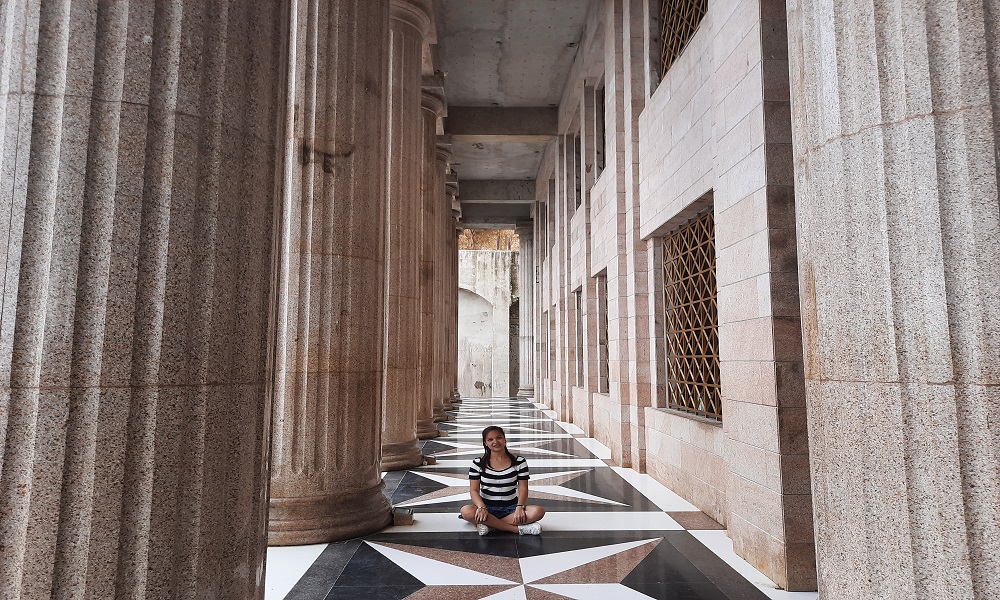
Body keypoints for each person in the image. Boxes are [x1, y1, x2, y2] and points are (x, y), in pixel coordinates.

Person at [460, 425, 545, 535]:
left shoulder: (519, 462)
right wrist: (481, 507)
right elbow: (474, 490)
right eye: (490, 439)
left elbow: (523, 488)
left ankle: (489, 525)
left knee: (538, 511)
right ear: (485, 443)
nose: (495, 442)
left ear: (505, 439)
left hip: (511, 508)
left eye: (499, 437)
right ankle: (516, 529)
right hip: (486, 507)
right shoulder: (478, 463)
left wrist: (520, 507)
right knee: (466, 511)